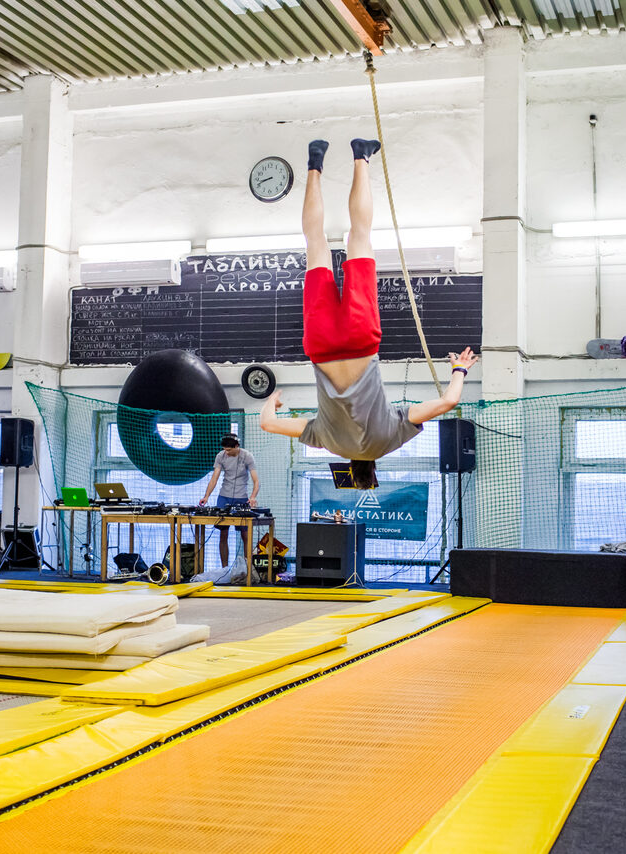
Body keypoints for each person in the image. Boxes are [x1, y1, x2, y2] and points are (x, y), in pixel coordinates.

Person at [259, 139, 479, 488]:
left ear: (374, 468)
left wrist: (459, 370)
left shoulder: (391, 439)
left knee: (359, 237)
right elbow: (268, 424)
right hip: (321, 346)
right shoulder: (326, 441)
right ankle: (314, 164)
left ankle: (361, 156)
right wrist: (272, 400)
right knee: (315, 244)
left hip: (361, 341)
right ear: (350, 467)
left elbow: (449, 401)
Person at [198, 433, 260, 570]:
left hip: (241, 497)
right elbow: (214, 478)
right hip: (224, 497)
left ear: (237, 446)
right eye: (225, 449)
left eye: (229, 450)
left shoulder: (247, 456)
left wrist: (253, 496)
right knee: (223, 533)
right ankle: (224, 569)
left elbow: (256, 480)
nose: (227, 452)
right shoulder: (220, 456)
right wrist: (206, 496)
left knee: (245, 534)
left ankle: (248, 569)